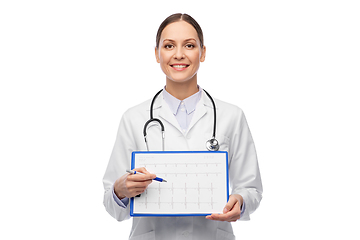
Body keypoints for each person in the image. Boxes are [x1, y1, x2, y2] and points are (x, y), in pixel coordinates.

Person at [103, 13, 263, 240]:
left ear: (203, 52)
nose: (179, 54)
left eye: (189, 45)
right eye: (169, 46)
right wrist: (120, 191)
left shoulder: (232, 116)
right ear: (157, 54)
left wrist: (241, 201)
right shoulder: (133, 119)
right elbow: (112, 205)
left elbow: (252, 188)